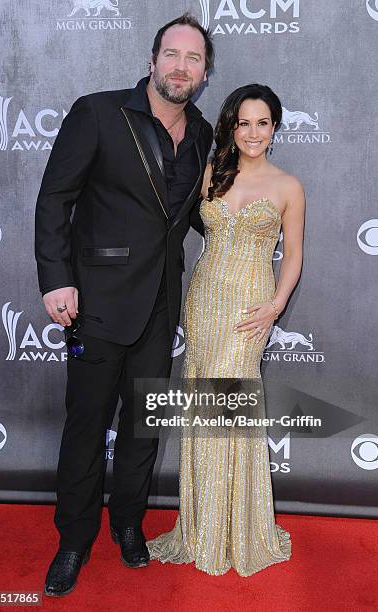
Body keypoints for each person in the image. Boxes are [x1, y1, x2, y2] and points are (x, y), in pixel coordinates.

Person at [34, 13, 214, 596]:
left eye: (193, 59)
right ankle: (73, 540)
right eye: (172, 55)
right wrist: (56, 279)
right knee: (87, 428)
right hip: (97, 301)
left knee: (143, 428)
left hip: (162, 304)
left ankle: (129, 525)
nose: (181, 67)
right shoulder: (99, 112)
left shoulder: (206, 134)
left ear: (204, 72)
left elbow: (191, 218)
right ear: (152, 61)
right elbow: (54, 198)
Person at [146, 84, 305, 576]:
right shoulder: (212, 173)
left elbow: (294, 256)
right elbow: (172, 221)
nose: (253, 132)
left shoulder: (288, 187)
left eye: (262, 122)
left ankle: (237, 529)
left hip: (250, 307)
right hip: (205, 300)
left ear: (275, 127)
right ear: (231, 127)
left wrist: (275, 307)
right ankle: (202, 526)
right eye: (244, 123)